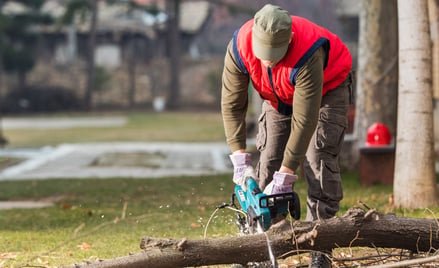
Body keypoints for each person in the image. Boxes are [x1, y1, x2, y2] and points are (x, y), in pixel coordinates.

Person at [222, 4, 352, 268]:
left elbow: (305, 121)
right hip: (277, 96)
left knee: (318, 162)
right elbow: (232, 104)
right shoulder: (239, 47)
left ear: (289, 40)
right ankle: (262, 251)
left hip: (328, 90)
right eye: (264, 54)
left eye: (274, 54)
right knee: (267, 163)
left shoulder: (308, 51)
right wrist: (239, 158)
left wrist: (287, 174)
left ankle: (321, 252)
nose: (268, 60)